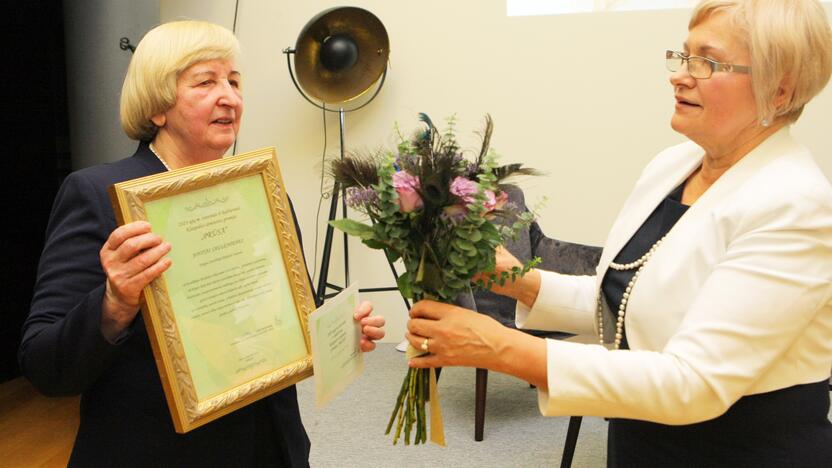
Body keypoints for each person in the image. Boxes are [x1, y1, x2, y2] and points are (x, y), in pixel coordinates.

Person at [405, 1, 832, 465]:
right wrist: (519, 282)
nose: (680, 75)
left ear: (780, 89)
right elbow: (629, 300)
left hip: (739, 448)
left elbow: (694, 382)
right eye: (682, 55)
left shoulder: (795, 205)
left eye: (706, 62)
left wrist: (501, 347)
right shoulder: (672, 166)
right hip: (643, 436)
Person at [18, 21, 385, 467]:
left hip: (269, 445)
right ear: (158, 107)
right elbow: (44, 365)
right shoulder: (98, 194)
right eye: (205, 82)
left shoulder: (264, 192)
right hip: (155, 451)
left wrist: (337, 332)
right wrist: (114, 303)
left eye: (234, 81)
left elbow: (292, 310)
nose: (229, 96)